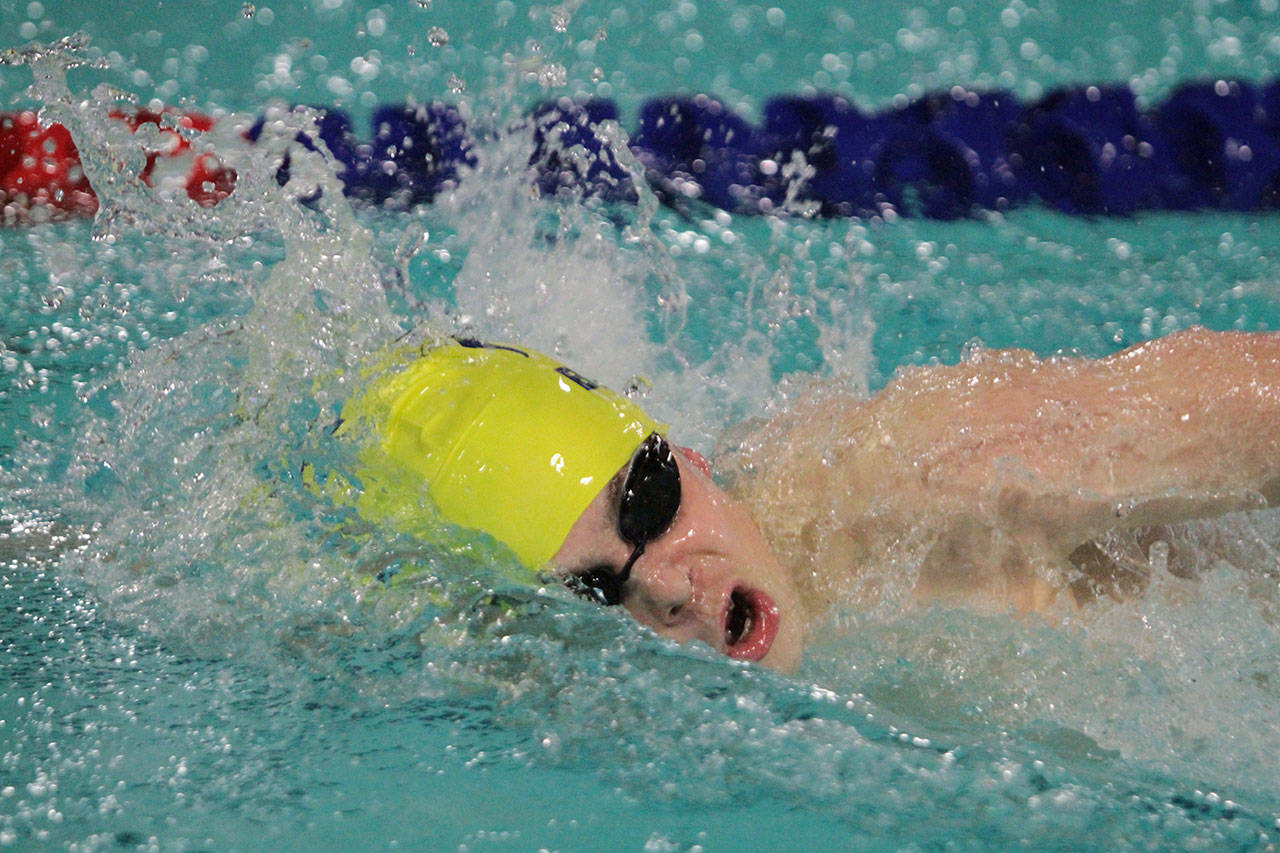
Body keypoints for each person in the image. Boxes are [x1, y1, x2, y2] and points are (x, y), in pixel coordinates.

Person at [342, 329, 1280, 673]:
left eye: (649, 501)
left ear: (693, 457)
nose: (666, 586)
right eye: (593, 591)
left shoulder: (935, 477)